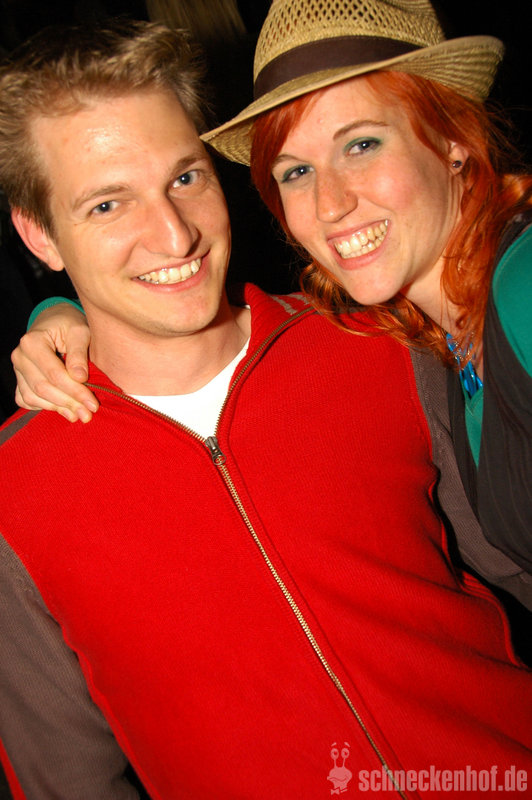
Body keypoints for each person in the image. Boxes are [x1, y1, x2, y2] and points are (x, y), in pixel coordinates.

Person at [0, 18, 529, 800]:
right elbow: (60, 780)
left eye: (185, 178)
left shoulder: (381, 343)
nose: (173, 234)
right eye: (108, 205)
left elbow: (515, 562)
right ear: (39, 234)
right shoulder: (16, 491)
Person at [203, 0, 532, 580]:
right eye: (296, 172)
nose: (330, 204)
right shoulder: (440, 335)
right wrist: (62, 318)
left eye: (361, 145)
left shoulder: (522, 285)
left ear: (452, 137)